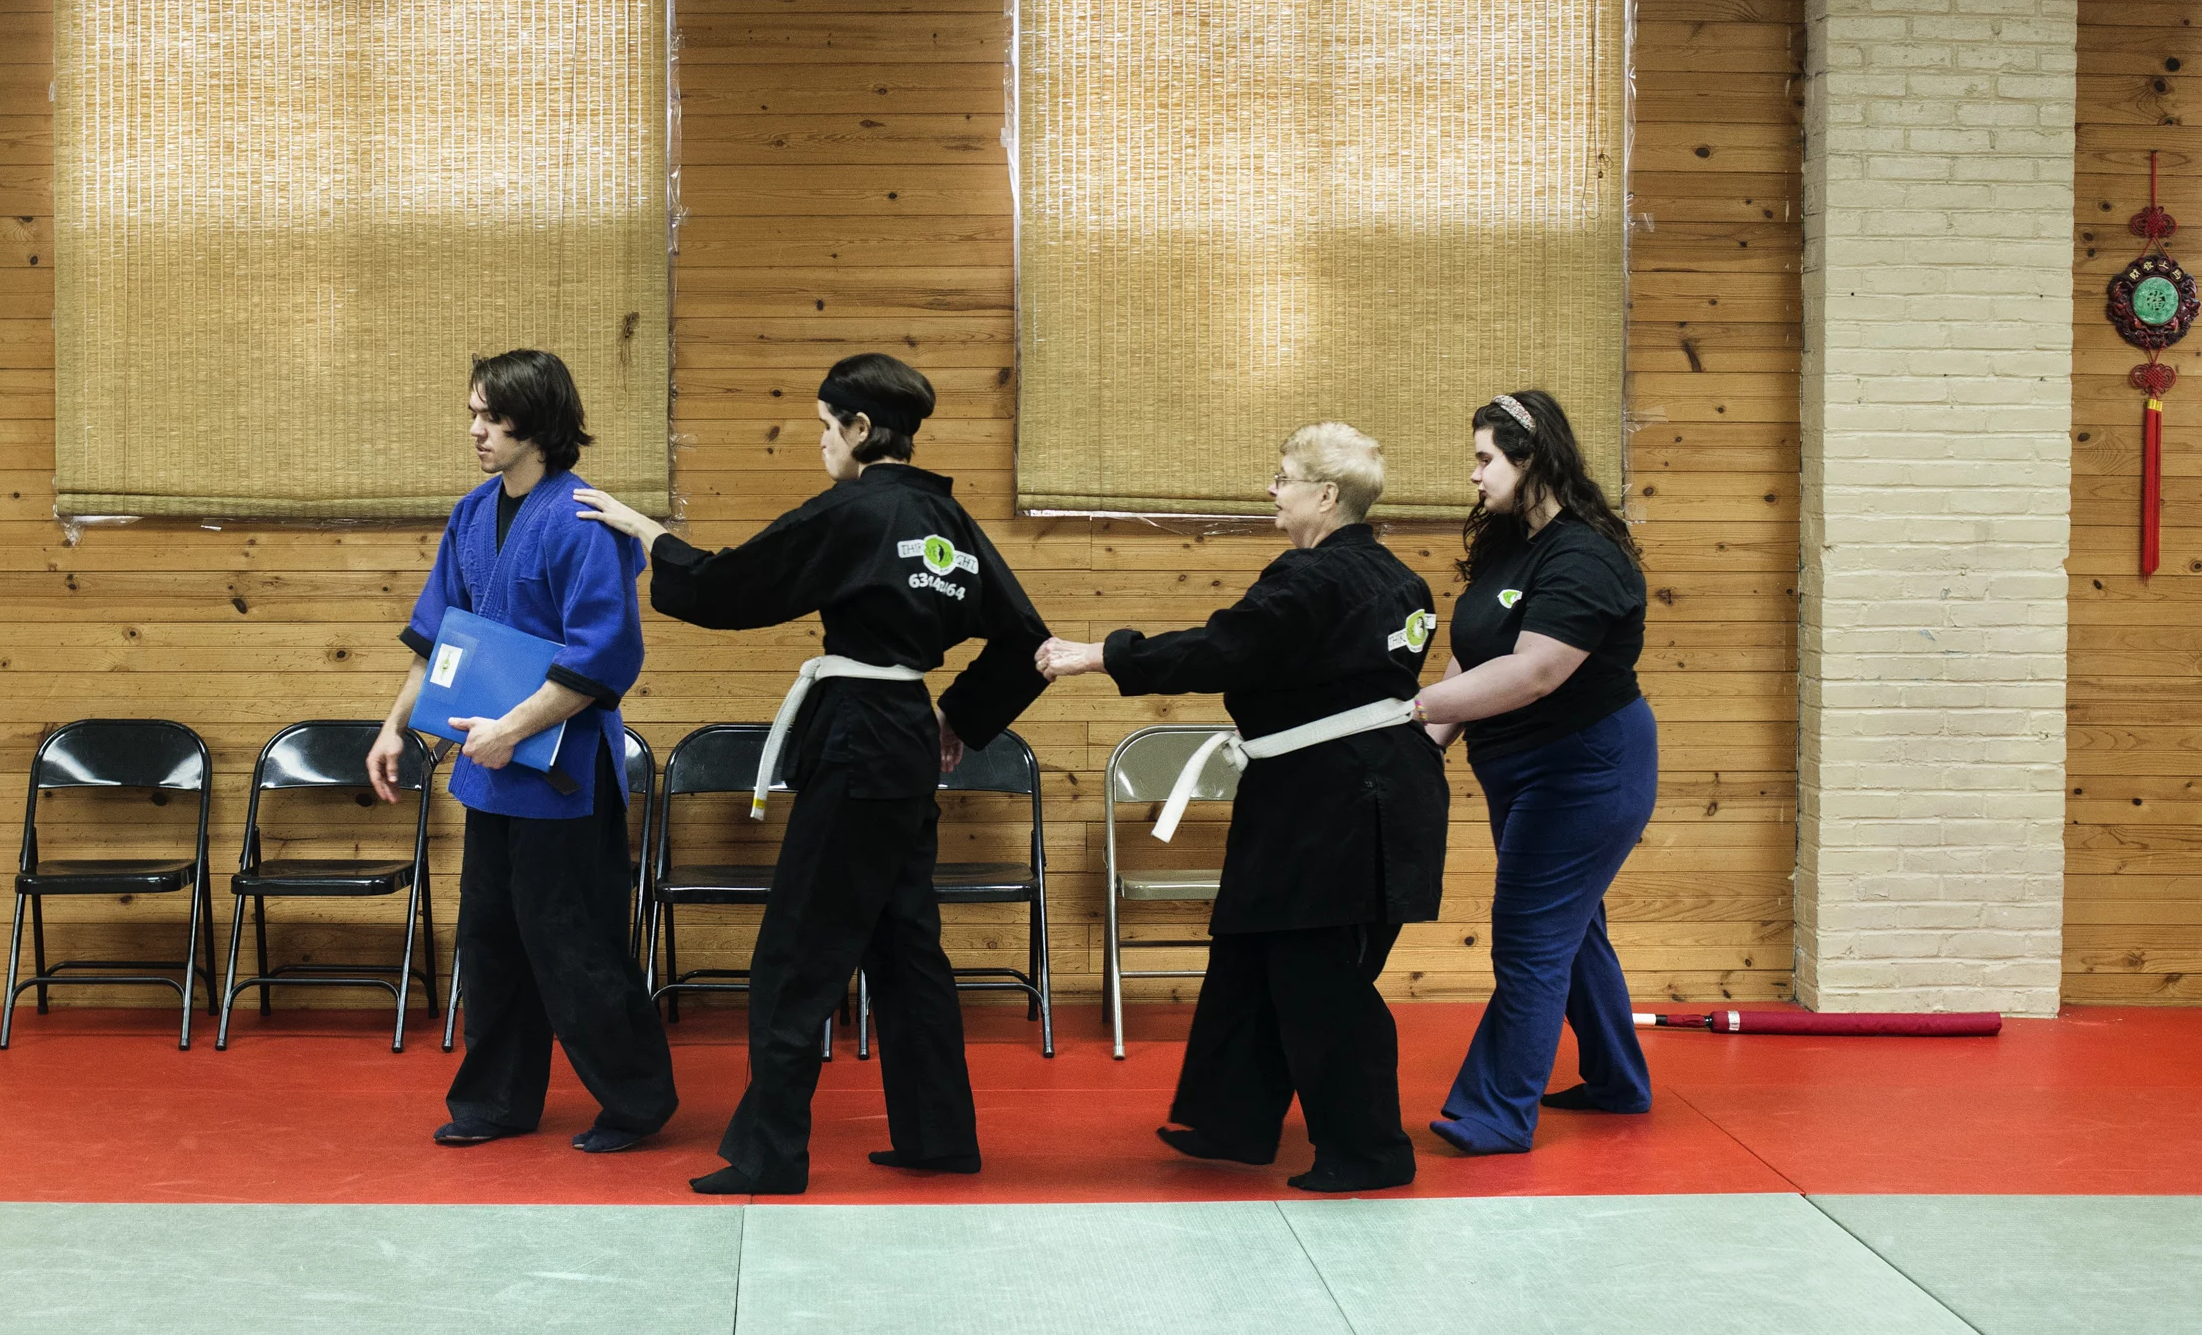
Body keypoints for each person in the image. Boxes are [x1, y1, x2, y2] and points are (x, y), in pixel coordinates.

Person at [573, 352, 1050, 1196]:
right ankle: (938, 1136)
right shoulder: (949, 522)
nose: (821, 443)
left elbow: (730, 587)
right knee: (906, 949)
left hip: (859, 743)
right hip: (901, 738)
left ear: (862, 429)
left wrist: (646, 532)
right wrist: (955, 718)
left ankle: (769, 1154)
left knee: (797, 952)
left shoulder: (856, 511)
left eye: (827, 426)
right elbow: (1026, 643)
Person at [1035, 423, 1448, 1193]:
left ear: (1325, 495)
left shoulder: (1310, 579)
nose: (1271, 489)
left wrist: (1101, 653)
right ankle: (1231, 1119)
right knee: (1251, 955)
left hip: (1344, 808)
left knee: (1320, 979)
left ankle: (1369, 1154)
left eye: (1283, 476)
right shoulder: (1402, 581)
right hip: (1327, 794)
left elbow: (1224, 649)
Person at [367, 350, 678, 1154]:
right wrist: (393, 725)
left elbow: (603, 657)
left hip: (564, 772)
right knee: (493, 940)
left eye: (488, 416)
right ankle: (498, 1100)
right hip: (489, 770)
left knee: (575, 942)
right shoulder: (471, 514)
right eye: (471, 414)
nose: (474, 431)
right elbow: (436, 638)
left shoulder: (584, 520)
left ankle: (635, 1101)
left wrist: (514, 728)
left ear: (533, 421)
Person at [1413, 389, 1656, 1155]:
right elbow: (1473, 658)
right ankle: (1618, 1082)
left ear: (1531, 460)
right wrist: (1423, 743)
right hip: (1516, 768)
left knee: (1529, 939)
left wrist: (1408, 713)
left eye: (1485, 458)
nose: (1474, 475)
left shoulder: (1585, 554)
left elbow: (1533, 674)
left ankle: (1493, 1113)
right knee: (1572, 932)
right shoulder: (1507, 546)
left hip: (1584, 767)